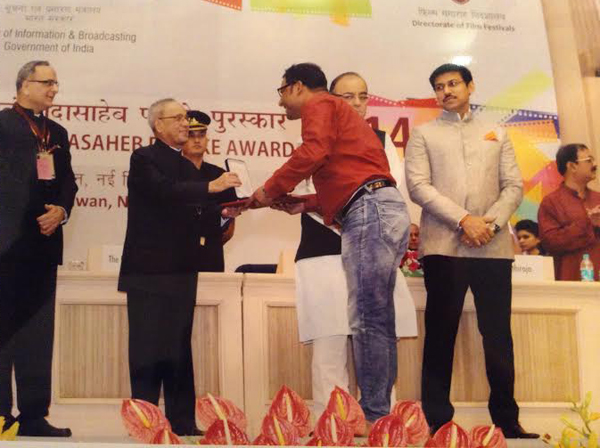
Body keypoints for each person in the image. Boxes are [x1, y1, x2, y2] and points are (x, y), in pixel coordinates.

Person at [249, 63, 411, 423]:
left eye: (282, 93)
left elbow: (312, 153)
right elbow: (357, 180)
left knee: (367, 318)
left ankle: (374, 417)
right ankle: (380, 416)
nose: (281, 103)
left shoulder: (320, 104)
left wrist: (268, 190)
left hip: (370, 211)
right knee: (377, 318)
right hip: (381, 208)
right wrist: (306, 203)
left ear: (297, 87)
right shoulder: (351, 124)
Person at [405, 63, 537, 438]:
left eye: (453, 84)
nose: (446, 91)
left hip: (492, 249)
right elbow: (418, 186)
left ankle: (507, 420)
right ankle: (438, 421)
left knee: (498, 335)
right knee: (440, 333)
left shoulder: (497, 132)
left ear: (470, 86)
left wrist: (489, 225)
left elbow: (513, 186)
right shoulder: (424, 134)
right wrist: (464, 220)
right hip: (443, 247)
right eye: (439, 86)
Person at [118, 99, 240, 435]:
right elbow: (164, 192)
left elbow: (195, 211)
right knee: (146, 347)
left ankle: (182, 421)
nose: (186, 123)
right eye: (179, 118)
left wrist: (224, 213)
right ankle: (144, 421)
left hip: (182, 267)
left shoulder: (188, 166)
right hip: (148, 269)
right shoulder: (144, 158)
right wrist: (210, 187)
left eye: (186, 118)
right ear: (158, 124)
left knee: (178, 346)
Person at [0, 61, 77, 437]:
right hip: (6, 246)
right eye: (47, 82)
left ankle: (33, 416)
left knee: (37, 332)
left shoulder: (56, 132)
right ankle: (0, 415)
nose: (53, 89)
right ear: (23, 86)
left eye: (56, 83)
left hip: (44, 245)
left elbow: (68, 182)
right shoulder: (2, 125)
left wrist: (61, 210)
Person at [182, 110, 237, 272]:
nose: (197, 140)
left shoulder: (220, 175)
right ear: (181, 139)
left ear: (207, 140)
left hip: (211, 253)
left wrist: (225, 217)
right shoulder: (171, 173)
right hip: (177, 253)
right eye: (191, 135)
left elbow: (229, 228)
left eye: (201, 134)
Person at [538, 143, 600, 280]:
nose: (595, 164)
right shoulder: (551, 202)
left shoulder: (598, 199)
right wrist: (587, 223)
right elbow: (550, 243)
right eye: (589, 160)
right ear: (572, 166)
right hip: (570, 281)